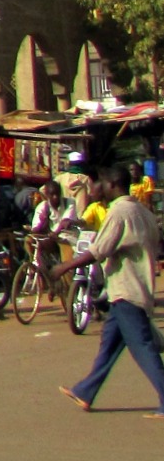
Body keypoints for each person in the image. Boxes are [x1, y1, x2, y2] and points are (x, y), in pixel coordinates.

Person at [55, 165, 164, 417]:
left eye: (98, 183)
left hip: (128, 290)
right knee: (110, 344)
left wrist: (64, 267)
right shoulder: (143, 212)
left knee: (143, 348)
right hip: (130, 288)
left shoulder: (119, 212)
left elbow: (98, 250)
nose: (94, 188)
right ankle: (85, 391)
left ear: (112, 184)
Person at [54, 152, 95, 222]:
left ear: (69, 164)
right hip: (80, 220)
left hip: (62, 220)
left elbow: (43, 190)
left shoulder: (60, 179)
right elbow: (93, 198)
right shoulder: (87, 180)